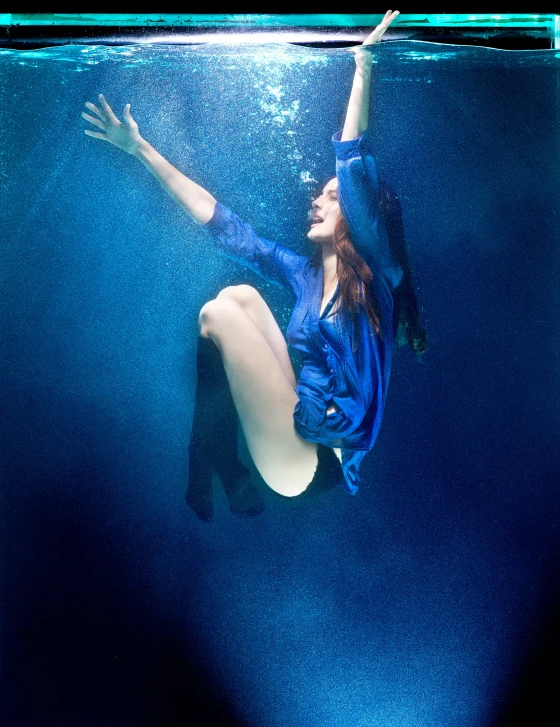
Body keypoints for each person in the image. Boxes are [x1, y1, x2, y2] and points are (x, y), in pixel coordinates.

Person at [82, 10, 427, 518]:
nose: (318, 202)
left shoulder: (375, 276)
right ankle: (219, 462)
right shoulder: (307, 276)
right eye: (322, 196)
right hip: (302, 425)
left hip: (310, 460)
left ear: (357, 217)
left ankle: (214, 464)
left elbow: (351, 156)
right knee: (236, 298)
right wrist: (140, 150)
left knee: (215, 316)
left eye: (333, 199)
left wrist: (363, 64)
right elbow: (228, 229)